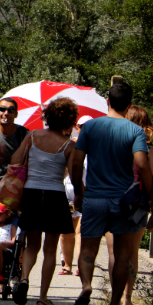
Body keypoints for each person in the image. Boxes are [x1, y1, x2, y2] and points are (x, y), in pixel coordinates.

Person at [69, 82, 152, 305]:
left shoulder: (91, 127)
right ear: (129, 105)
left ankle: (86, 286)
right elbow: (142, 164)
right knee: (123, 253)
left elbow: (76, 162)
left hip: (94, 198)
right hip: (123, 201)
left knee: (88, 247)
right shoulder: (135, 131)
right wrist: (149, 195)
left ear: (107, 102)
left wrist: (78, 190)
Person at [11, 98, 78, 305]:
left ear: (48, 117)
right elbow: (75, 178)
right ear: (69, 119)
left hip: (31, 193)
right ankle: (43, 297)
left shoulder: (32, 136)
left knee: (32, 246)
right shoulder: (69, 145)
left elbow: (15, 160)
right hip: (55, 196)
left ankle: (23, 279)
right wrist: (81, 198)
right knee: (50, 249)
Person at [103, 106, 153, 305]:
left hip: (113, 199)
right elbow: (149, 179)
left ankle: (113, 299)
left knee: (113, 252)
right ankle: (127, 300)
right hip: (137, 203)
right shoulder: (149, 150)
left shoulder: (114, 145)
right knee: (131, 252)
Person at [59, 115, 92, 277]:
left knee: (80, 231)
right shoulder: (70, 146)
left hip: (85, 195)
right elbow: (62, 171)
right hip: (66, 194)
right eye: (81, 126)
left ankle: (79, 265)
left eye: (88, 126)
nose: (84, 129)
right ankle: (67, 264)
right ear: (77, 128)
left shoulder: (96, 149)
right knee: (66, 232)